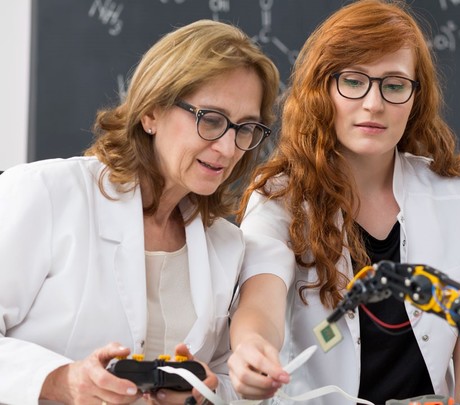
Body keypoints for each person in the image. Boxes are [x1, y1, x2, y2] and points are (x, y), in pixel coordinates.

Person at [226, 1, 460, 404]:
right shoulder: (280, 197)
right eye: (353, 81)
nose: (374, 103)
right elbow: (259, 297)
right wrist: (251, 347)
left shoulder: (454, 191)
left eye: (394, 84)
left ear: (415, 97)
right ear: (322, 88)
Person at [0, 20, 280, 405]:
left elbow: (224, 377)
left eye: (245, 128)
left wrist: (201, 393)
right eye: (211, 120)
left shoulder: (224, 244)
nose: (229, 148)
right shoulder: (46, 193)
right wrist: (60, 380)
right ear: (150, 112)